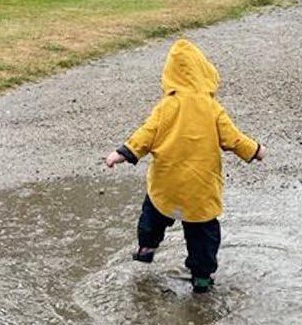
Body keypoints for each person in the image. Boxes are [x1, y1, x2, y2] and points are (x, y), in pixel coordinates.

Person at [105, 38, 264, 293]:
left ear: (169, 74)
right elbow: (232, 138)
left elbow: (146, 135)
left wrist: (122, 153)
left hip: (167, 186)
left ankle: (146, 247)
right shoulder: (212, 108)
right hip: (199, 189)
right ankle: (201, 276)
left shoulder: (166, 107)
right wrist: (255, 150)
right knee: (203, 235)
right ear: (205, 72)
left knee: (152, 217)